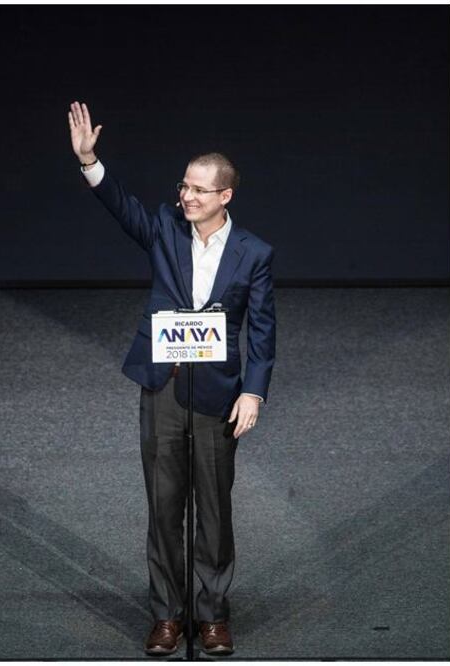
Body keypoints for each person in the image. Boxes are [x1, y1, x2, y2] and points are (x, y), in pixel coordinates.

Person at [68, 102, 276, 657]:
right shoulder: (163, 228)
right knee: (163, 508)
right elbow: (121, 206)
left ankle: (211, 617)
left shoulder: (253, 253)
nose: (186, 197)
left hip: (217, 396)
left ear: (225, 196)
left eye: (199, 191)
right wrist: (91, 161)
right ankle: (167, 615)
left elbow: (261, 331)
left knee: (214, 512)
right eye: (183, 187)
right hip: (161, 388)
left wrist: (253, 392)